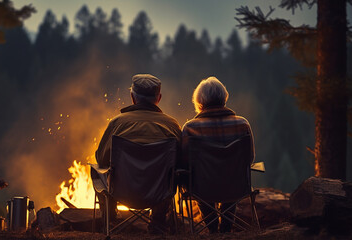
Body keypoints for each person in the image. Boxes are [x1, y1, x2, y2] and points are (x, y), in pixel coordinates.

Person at [95, 74, 182, 233]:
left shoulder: (117, 123)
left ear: (132, 97)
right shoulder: (172, 125)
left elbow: (101, 159)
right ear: (159, 98)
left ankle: (111, 220)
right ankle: (158, 221)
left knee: (96, 170)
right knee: (173, 174)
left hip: (122, 192)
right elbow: (181, 161)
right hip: (160, 194)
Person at [182, 76, 255, 233]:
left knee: (197, 178)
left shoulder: (190, 128)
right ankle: (226, 228)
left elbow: (184, 163)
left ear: (199, 102)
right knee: (231, 174)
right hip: (235, 187)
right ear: (224, 99)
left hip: (203, 189)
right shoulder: (242, 124)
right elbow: (249, 158)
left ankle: (213, 229)